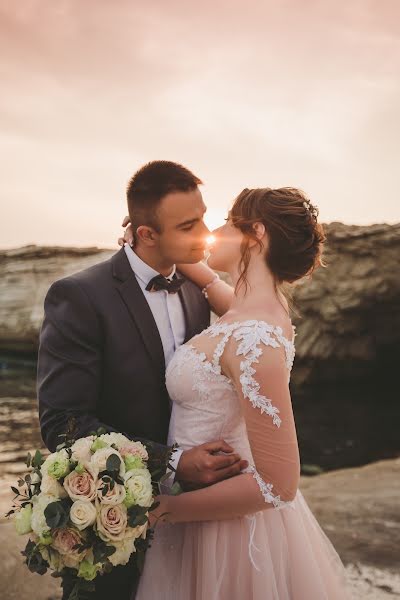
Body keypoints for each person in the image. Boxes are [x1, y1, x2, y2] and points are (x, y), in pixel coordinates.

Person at [37, 160, 248, 600]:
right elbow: (63, 423)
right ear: (146, 233)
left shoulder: (196, 289)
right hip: (113, 520)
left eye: (204, 217)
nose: (205, 233)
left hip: (194, 520)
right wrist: (170, 463)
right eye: (189, 225)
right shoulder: (79, 296)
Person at [127, 186, 350, 599]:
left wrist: (163, 511)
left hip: (222, 531)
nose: (214, 231)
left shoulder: (255, 338)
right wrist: (157, 247)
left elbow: (279, 484)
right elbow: (224, 299)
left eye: (228, 222)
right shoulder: (261, 312)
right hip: (204, 509)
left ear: (256, 234)